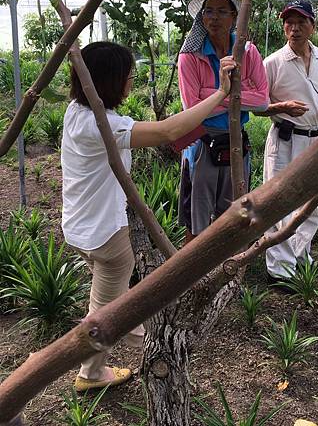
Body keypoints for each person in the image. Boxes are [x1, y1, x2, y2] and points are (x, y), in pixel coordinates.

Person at [61, 41, 235, 392]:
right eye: (128, 76)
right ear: (110, 81)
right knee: (105, 309)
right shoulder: (101, 125)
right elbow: (167, 131)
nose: (131, 82)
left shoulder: (76, 113)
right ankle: (91, 372)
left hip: (78, 227)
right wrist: (220, 94)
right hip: (105, 234)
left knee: (108, 293)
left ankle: (132, 334)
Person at [177, 0, 269, 242]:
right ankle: (192, 271)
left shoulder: (248, 52)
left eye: (221, 11)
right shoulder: (190, 56)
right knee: (196, 215)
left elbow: (262, 101)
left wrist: (216, 94)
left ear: (234, 17)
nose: (213, 18)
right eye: (208, 11)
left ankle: (226, 269)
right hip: (202, 141)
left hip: (237, 141)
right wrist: (235, 94)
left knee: (234, 210)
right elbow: (191, 108)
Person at [261, 0, 318, 282]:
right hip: (284, 139)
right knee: (276, 202)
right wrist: (281, 107)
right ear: (284, 27)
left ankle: (298, 257)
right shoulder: (272, 63)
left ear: (313, 26)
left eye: (301, 22)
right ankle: (279, 271)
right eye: (289, 22)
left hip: (316, 141)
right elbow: (258, 105)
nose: (294, 28)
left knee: (309, 203)